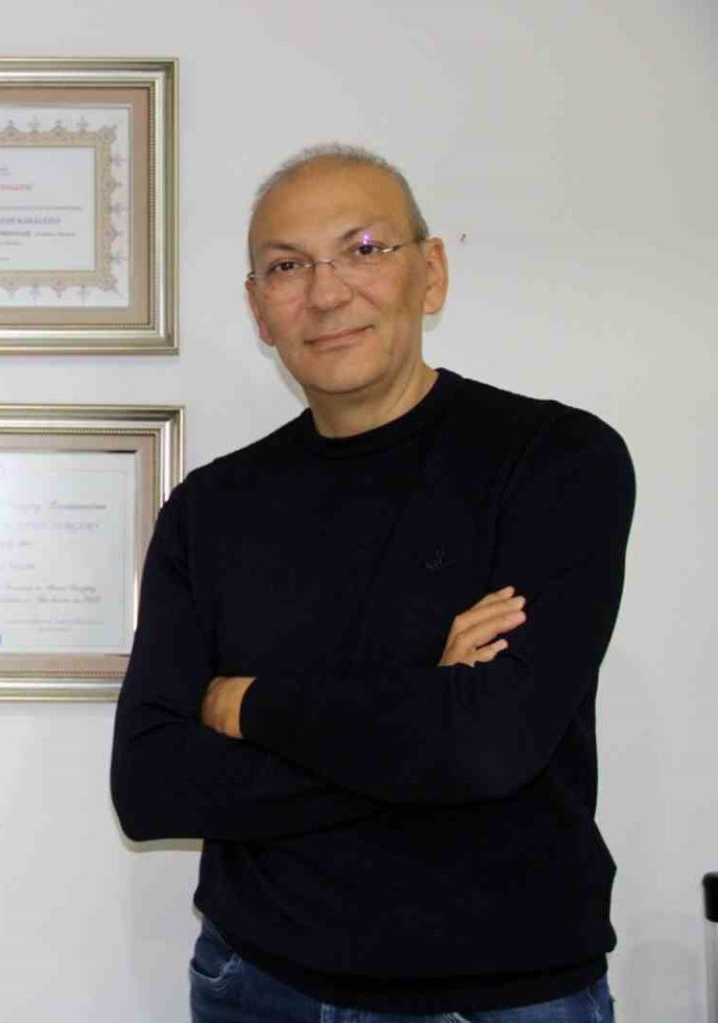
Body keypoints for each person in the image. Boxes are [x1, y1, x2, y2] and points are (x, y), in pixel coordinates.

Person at [110, 145, 634, 1022]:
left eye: (363, 249)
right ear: (258, 309)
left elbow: (491, 747)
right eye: (287, 266)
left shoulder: (556, 461)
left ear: (431, 274)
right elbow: (151, 784)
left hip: (505, 995)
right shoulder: (210, 508)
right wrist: (425, 700)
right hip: (258, 985)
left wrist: (248, 705)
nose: (326, 292)